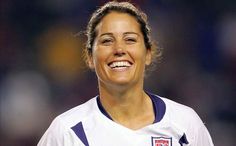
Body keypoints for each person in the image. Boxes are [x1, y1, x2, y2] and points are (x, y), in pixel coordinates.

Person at [38, 1, 214, 146]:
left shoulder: (186, 124)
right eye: (107, 41)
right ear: (90, 57)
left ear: (148, 53)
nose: (119, 49)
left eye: (130, 39)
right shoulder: (67, 132)